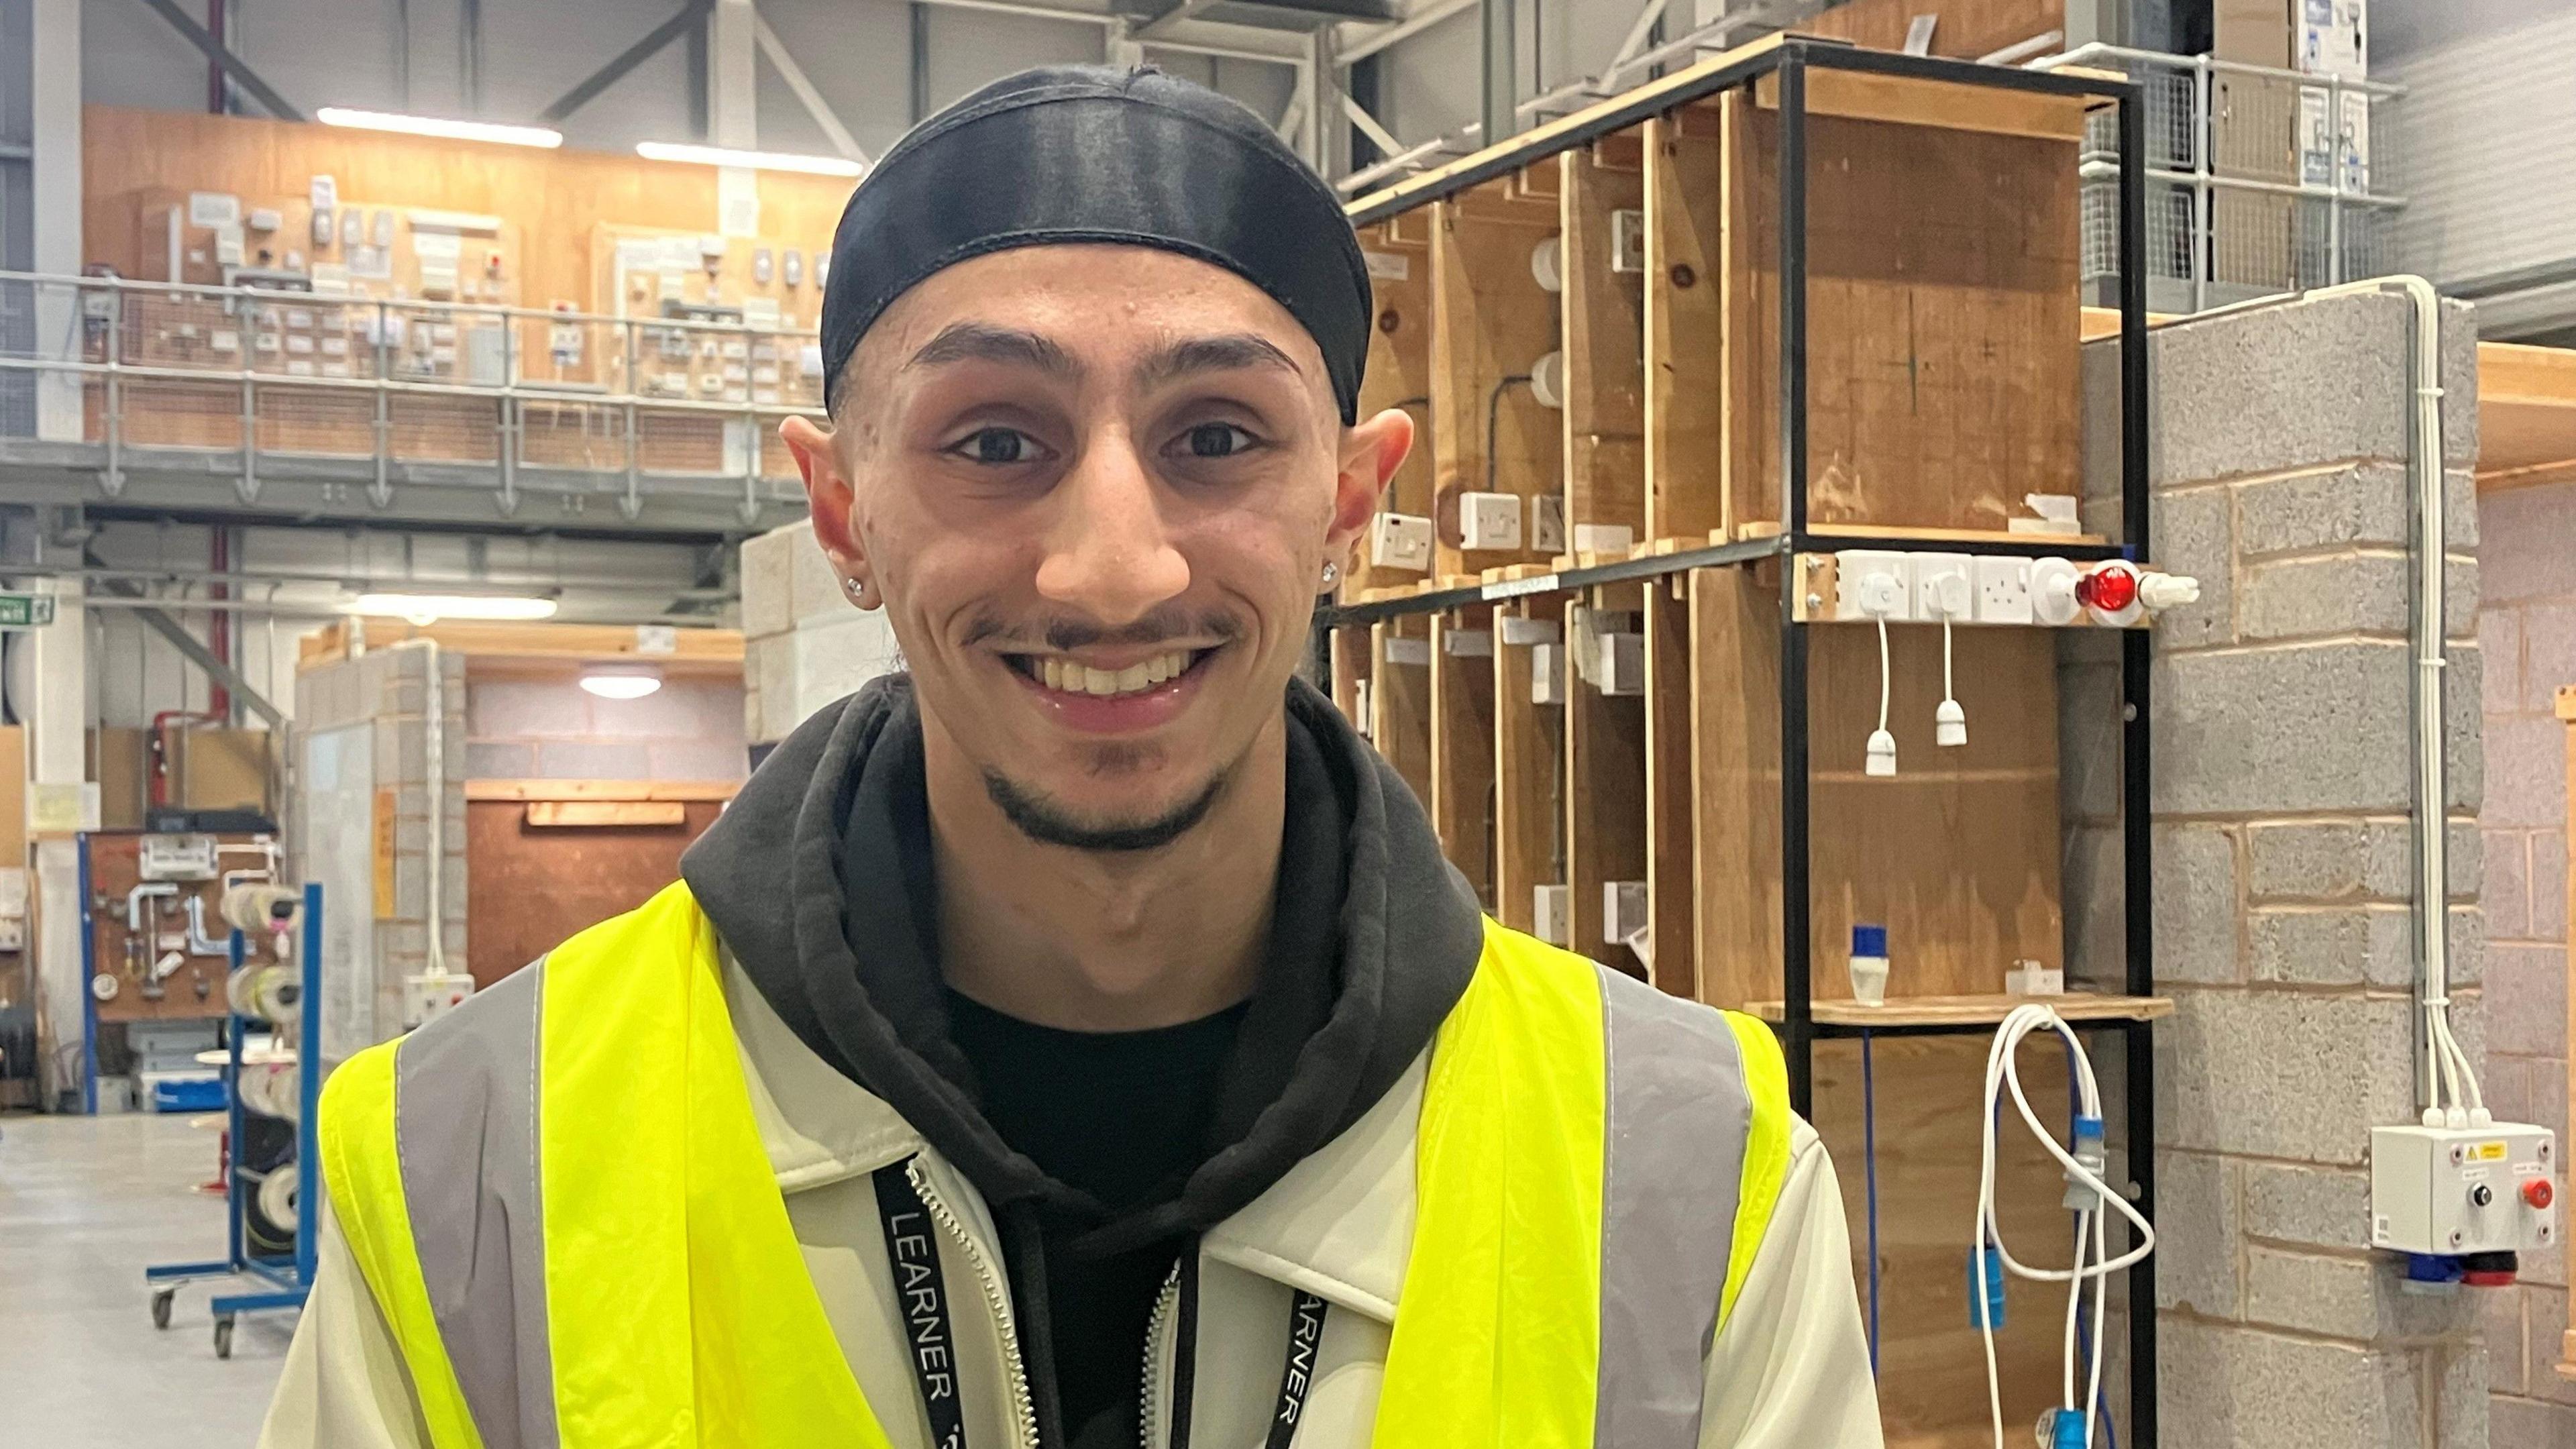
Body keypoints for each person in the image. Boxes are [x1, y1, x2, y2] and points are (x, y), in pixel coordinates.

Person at [257, 64, 1882, 1449]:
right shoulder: (470, 1172)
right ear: (842, 510)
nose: (1114, 571)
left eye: (1218, 439)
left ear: (1351, 501)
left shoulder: (1688, 1174)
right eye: (994, 443)